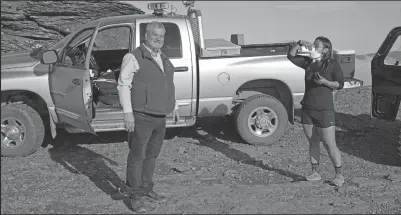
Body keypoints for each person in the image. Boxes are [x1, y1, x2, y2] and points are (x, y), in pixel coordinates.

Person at [116, 21, 179, 212]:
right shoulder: (133, 57)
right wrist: (128, 112)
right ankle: (134, 195)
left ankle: (146, 188)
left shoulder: (163, 58)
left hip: (160, 116)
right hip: (141, 115)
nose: (158, 39)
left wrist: (173, 106)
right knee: (137, 156)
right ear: (146, 36)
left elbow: (168, 84)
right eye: (154, 35)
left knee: (152, 155)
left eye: (161, 36)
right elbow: (123, 84)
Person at [287, 36, 345, 187]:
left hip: (324, 110)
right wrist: (299, 43)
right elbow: (291, 56)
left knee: (329, 143)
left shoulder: (332, 64)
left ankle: (339, 175)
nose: (313, 47)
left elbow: (340, 84)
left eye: (317, 45)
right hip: (307, 109)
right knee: (313, 142)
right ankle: (315, 173)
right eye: (313, 44)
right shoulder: (308, 63)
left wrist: (325, 82)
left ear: (326, 50)